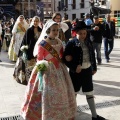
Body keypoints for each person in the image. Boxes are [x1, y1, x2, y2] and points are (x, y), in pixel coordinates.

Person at [20, 20, 76, 120]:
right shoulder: (42, 44)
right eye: (53, 30)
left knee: (62, 91)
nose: (56, 32)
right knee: (46, 93)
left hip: (59, 69)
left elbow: (61, 55)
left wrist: (67, 58)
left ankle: (62, 113)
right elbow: (39, 59)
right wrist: (42, 68)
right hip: (47, 70)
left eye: (57, 30)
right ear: (48, 30)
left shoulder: (59, 41)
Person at [63, 20, 106, 120]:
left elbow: (92, 55)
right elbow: (65, 59)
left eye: (85, 33)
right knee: (74, 93)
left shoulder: (88, 42)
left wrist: (94, 67)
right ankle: (71, 115)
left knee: (90, 92)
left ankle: (94, 116)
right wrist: (74, 67)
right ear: (76, 33)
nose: (83, 35)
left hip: (87, 71)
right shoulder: (71, 43)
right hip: (76, 73)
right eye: (81, 33)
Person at [13, 16, 42, 85]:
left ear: (39, 22)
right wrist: (25, 49)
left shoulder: (41, 30)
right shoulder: (29, 30)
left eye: (37, 21)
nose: (35, 22)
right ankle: (27, 79)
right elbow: (25, 41)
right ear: (32, 22)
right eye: (34, 21)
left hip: (38, 50)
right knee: (28, 66)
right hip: (30, 50)